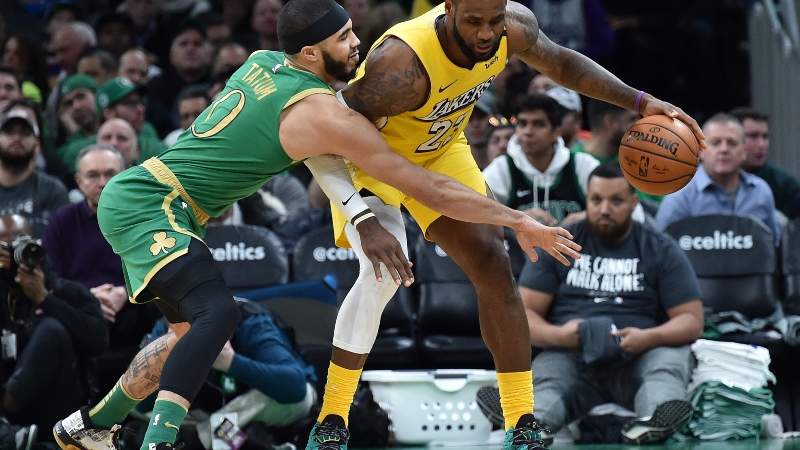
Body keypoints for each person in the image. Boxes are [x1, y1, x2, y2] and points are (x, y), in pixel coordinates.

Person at [51, 3, 582, 450]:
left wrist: (363, 212)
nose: (358, 45)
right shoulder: (323, 112)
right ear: (310, 53)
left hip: (164, 202)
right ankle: (159, 442)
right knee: (220, 314)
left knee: (187, 336)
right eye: (344, 37)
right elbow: (427, 187)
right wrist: (516, 220)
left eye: (353, 31)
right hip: (154, 203)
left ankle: (91, 426)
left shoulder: (265, 62)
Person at [319, 0, 705, 447]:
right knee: (380, 277)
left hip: (441, 150)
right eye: (474, 21)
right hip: (373, 159)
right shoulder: (400, 64)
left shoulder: (513, 28)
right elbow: (330, 130)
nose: (487, 33)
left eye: (494, 20)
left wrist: (641, 101)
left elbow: (561, 61)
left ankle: (522, 423)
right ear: (449, 8)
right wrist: (360, 214)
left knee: (493, 263)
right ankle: (332, 419)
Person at [476, 162, 703, 445]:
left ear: (634, 203)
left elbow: (692, 320)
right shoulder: (558, 241)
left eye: (616, 201)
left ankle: (655, 421)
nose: (604, 209)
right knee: (549, 377)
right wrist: (560, 336)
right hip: (572, 353)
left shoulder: (660, 247)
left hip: (640, 354)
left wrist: (647, 338)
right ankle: (531, 423)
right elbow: (524, 314)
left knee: (667, 364)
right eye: (596, 200)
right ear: (587, 201)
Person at [41, 144, 160, 393]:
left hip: (131, 312)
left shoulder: (145, 219)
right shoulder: (62, 221)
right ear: (78, 181)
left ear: (125, 174)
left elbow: (159, 270)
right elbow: (49, 279)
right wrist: (88, 298)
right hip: (80, 314)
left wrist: (125, 293)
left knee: (163, 302)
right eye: (93, 175)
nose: (103, 183)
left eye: (110, 174)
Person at [132, 299, 317, 450]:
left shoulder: (253, 323)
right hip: (206, 411)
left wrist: (232, 363)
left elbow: (296, 387)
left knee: (301, 399)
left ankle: (197, 439)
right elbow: (140, 403)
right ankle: (244, 441)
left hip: (257, 403)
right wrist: (171, 366)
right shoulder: (165, 329)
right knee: (130, 402)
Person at [0, 213, 109, 438]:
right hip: (11, 412)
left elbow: (99, 341)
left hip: (59, 410)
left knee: (52, 330)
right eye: (6, 247)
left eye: (22, 244)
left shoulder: (65, 291)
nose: (15, 254)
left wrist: (44, 299)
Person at [656, 112, 781, 245]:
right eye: (715, 143)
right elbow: (660, 251)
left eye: (732, 143)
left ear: (744, 151)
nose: (724, 149)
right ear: (701, 150)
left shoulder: (760, 192)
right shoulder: (680, 195)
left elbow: (774, 247)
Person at [483, 94, 599, 226]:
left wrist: (588, 216)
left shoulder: (582, 164)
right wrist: (514, 219)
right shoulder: (501, 169)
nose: (528, 131)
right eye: (522, 124)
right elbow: (479, 216)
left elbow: (618, 207)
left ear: (556, 133)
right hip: (519, 247)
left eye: (538, 124)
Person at [0, 110, 70, 237]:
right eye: (9, 131)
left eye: (26, 132)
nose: (17, 137)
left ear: (37, 145)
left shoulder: (53, 190)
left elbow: (61, 245)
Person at [729, 106, 800, 221]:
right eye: (753, 136)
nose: (761, 145)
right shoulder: (706, 183)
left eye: (765, 137)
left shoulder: (786, 187)